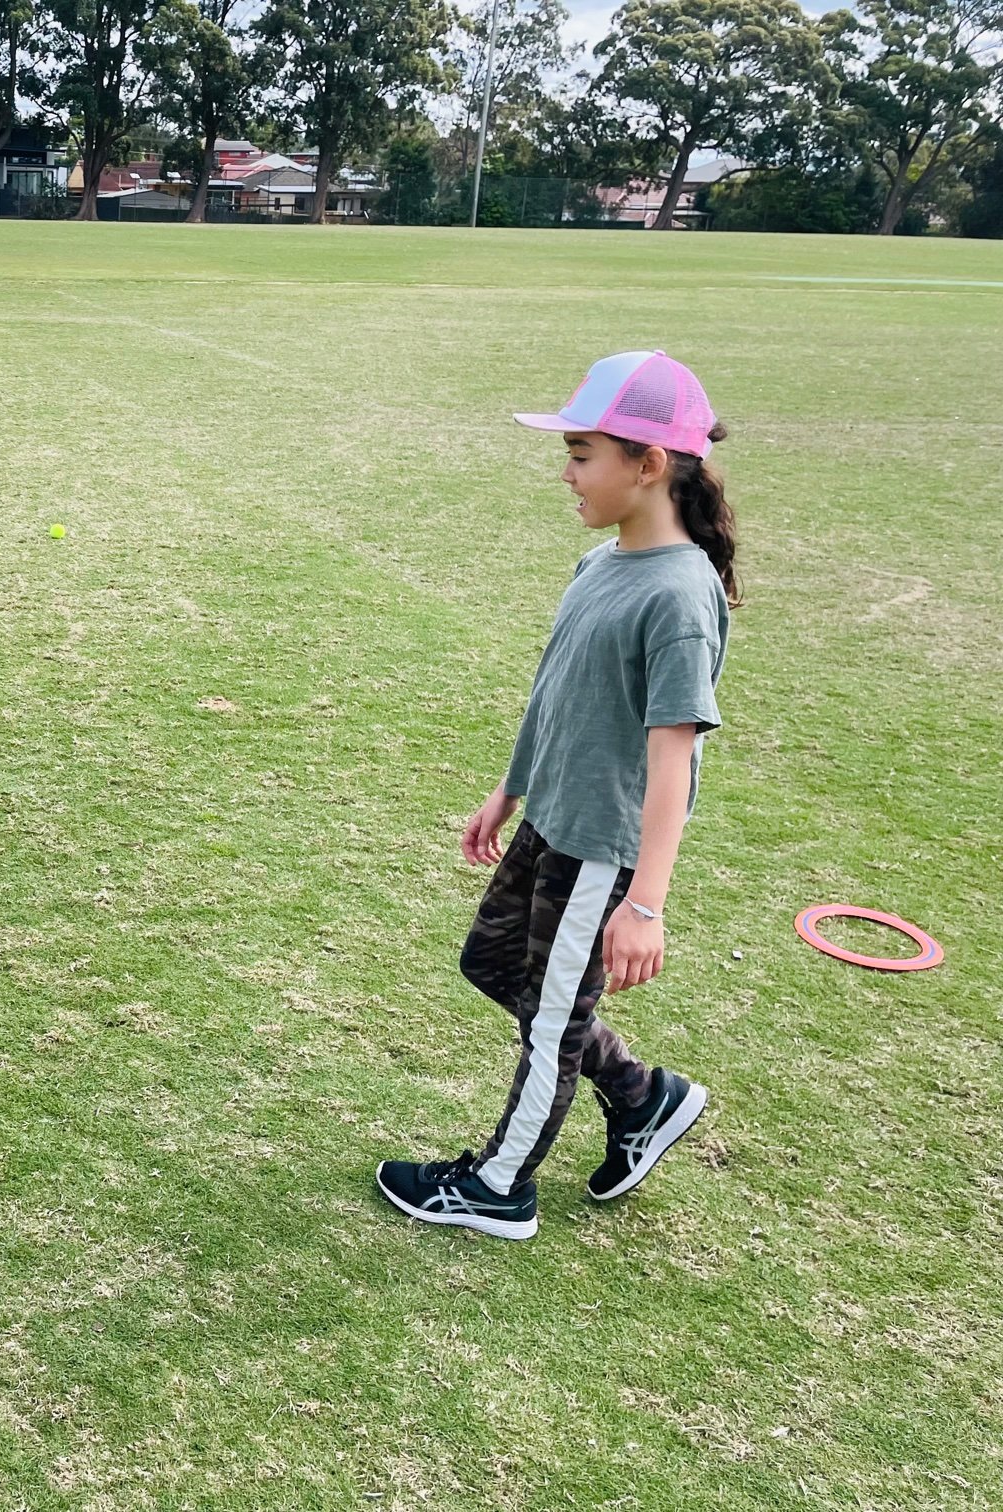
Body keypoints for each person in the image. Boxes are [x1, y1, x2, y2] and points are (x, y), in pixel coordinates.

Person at [376, 351, 737, 1241]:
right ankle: (643, 1096)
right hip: (551, 819)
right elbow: (557, 693)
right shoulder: (601, 563)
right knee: (492, 967)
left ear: (648, 464)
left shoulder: (680, 596)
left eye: (582, 453)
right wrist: (510, 789)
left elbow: (673, 763)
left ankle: (500, 1187)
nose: (567, 472)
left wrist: (644, 902)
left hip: (600, 850)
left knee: (550, 1020)